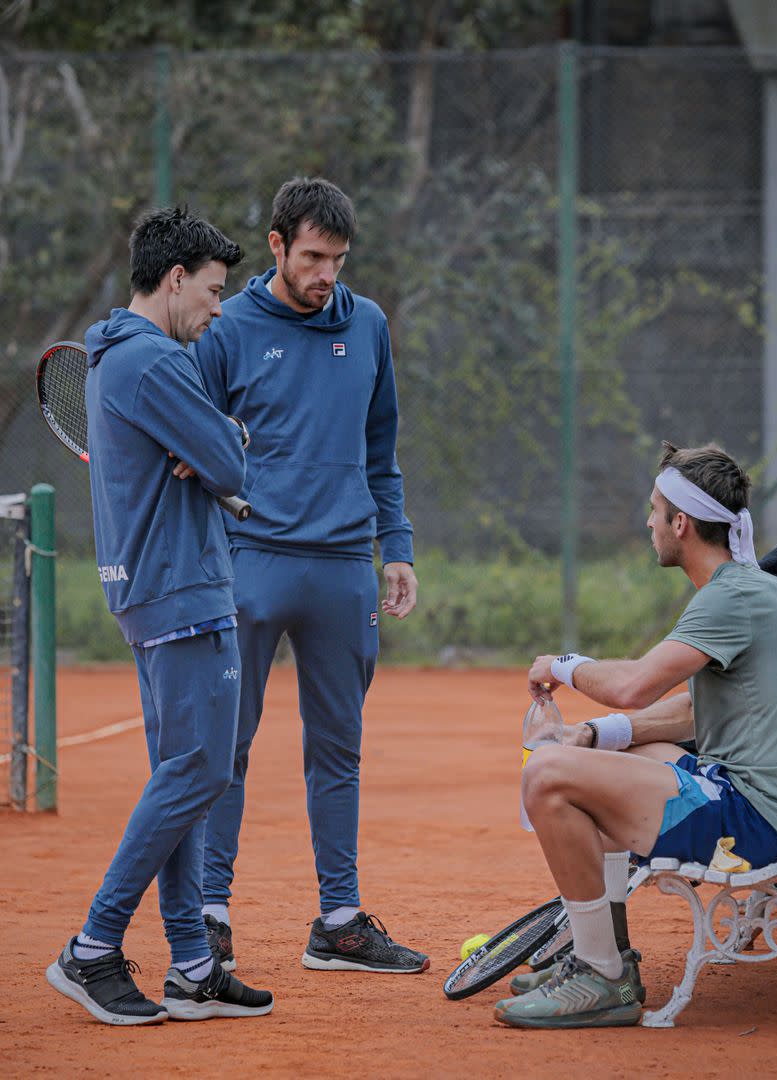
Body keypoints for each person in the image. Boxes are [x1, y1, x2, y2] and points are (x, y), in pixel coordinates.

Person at [495, 441, 777, 1029]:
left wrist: (562, 665)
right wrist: (600, 734)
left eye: (654, 510)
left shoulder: (731, 597)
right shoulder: (753, 590)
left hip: (757, 826)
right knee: (626, 747)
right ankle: (603, 950)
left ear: (682, 523)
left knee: (546, 774)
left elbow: (635, 685)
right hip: (771, 806)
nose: (647, 522)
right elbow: (695, 715)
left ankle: (602, 976)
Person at [193, 177, 428, 973]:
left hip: (343, 569)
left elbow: (380, 450)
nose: (328, 273)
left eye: (338, 259)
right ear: (277, 248)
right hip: (249, 561)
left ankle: (338, 923)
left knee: (340, 749)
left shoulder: (367, 326)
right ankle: (211, 917)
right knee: (227, 745)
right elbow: (195, 451)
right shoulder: (226, 330)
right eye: (314, 257)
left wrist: (395, 546)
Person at [46, 207, 274, 1025]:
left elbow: (215, 459)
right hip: (181, 592)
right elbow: (228, 458)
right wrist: (227, 436)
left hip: (152, 590)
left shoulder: (120, 355)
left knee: (183, 772)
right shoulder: (152, 362)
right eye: (213, 292)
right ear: (175, 280)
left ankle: (190, 963)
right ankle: (94, 947)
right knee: (200, 773)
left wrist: (217, 444)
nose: (218, 310)